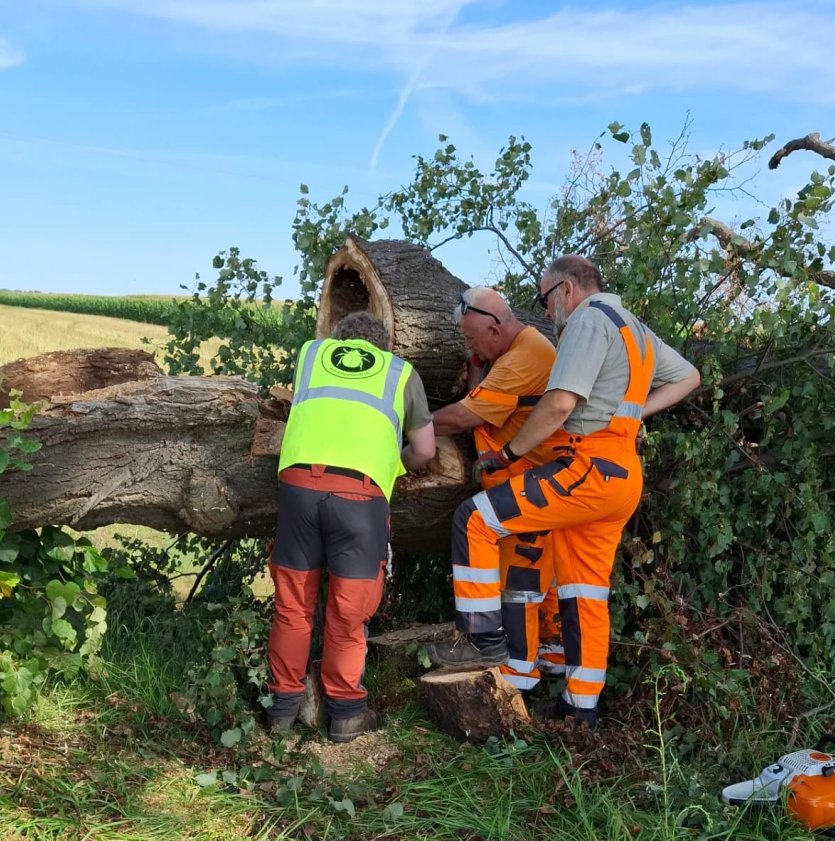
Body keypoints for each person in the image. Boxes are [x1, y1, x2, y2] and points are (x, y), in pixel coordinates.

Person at [445, 255, 700, 728]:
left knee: (476, 519)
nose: (546, 312)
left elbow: (560, 402)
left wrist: (509, 455)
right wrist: (631, 417)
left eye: (545, 300)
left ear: (565, 289)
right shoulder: (634, 328)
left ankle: (481, 639)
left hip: (586, 466)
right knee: (584, 591)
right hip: (621, 472)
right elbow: (689, 376)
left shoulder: (588, 319)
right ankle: (580, 710)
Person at [266, 311, 436, 742]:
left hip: (299, 488)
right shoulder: (399, 373)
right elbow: (426, 450)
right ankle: (345, 715)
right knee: (348, 611)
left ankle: (282, 711)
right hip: (360, 500)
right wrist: (392, 463)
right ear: (384, 347)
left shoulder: (310, 355)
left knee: (292, 606)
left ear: (339, 340)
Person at [427, 288, 566, 688]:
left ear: (494, 327)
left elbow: (463, 416)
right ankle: (549, 660)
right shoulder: (513, 351)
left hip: (529, 484)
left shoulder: (522, 360)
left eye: (472, 339)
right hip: (533, 481)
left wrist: (409, 424)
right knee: (535, 583)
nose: (469, 347)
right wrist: (477, 360)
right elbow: (479, 396)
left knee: (515, 581)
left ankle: (502, 662)